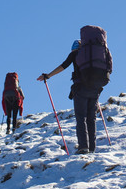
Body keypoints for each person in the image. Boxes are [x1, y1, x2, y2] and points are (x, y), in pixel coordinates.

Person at [38, 26, 113, 154]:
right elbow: (110, 67)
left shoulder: (75, 53)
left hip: (81, 88)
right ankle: (92, 147)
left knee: (81, 117)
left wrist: (48, 75)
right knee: (91, 118)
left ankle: (83, 147)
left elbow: (63, 66)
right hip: (96, 88)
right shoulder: (101, 51)